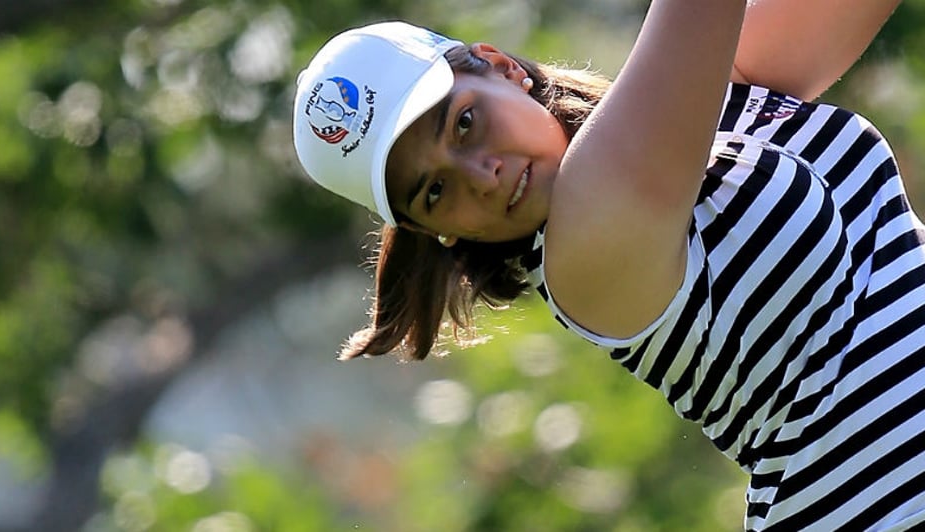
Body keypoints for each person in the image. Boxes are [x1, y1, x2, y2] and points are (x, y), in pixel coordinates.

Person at [291, 1, 923, 530]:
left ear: (502, 68)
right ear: (439, 234)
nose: (481, 177)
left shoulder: (709, 101)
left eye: (465, 125)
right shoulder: (585, 243)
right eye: (434, 193)